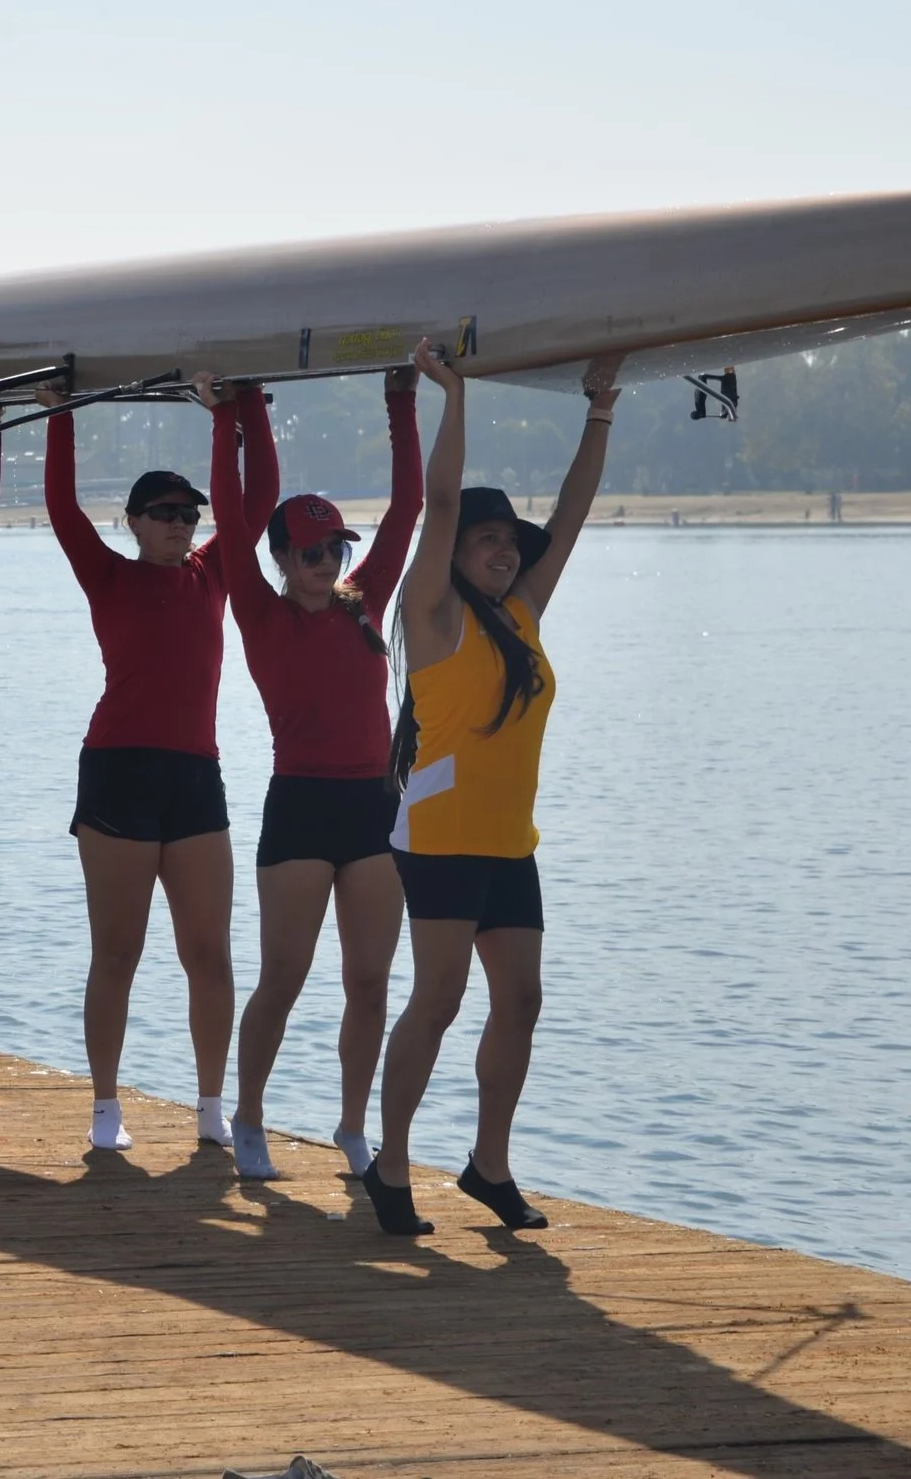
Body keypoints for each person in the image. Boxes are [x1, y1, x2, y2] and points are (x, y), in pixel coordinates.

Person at [364, 344, 621, 1235]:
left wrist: (600, 412)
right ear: (457, 553)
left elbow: (575, 515)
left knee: (522, 1000)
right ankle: (390, 1166)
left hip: (511, 840)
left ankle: (488, 1164)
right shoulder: (431, 616)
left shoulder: (523, 611)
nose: (505, 551)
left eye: (511, 542)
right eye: (488, 540)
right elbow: (439, 503)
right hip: (439, 839)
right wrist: (454, 393)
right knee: (436, 1001)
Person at [39, 379, 271, 1150]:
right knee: (119, 950)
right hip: (118, 770)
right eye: (163, 514)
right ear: (134, 522)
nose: (179, 525)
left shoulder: (213, 575)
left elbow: (260, 497)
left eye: (188, 515)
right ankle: (106, 1107)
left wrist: (239, 415)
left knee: (209, 953)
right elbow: (64, 510)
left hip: (195, 776)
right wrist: (62, 412)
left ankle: (210, 1108)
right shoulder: (108, 573)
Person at [220, 367, 423, 1179]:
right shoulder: (258, 610)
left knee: (370, 979)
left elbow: (409, 508)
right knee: (283, 976)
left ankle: (350, 1127)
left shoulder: (364, 600)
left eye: (333, 546)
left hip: (374, 805)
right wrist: (238, 415)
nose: (323, 560)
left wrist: (401, 399)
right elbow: (234, 520)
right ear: (280, 558)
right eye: (307, 551)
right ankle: (248, 1116)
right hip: (300, 806)